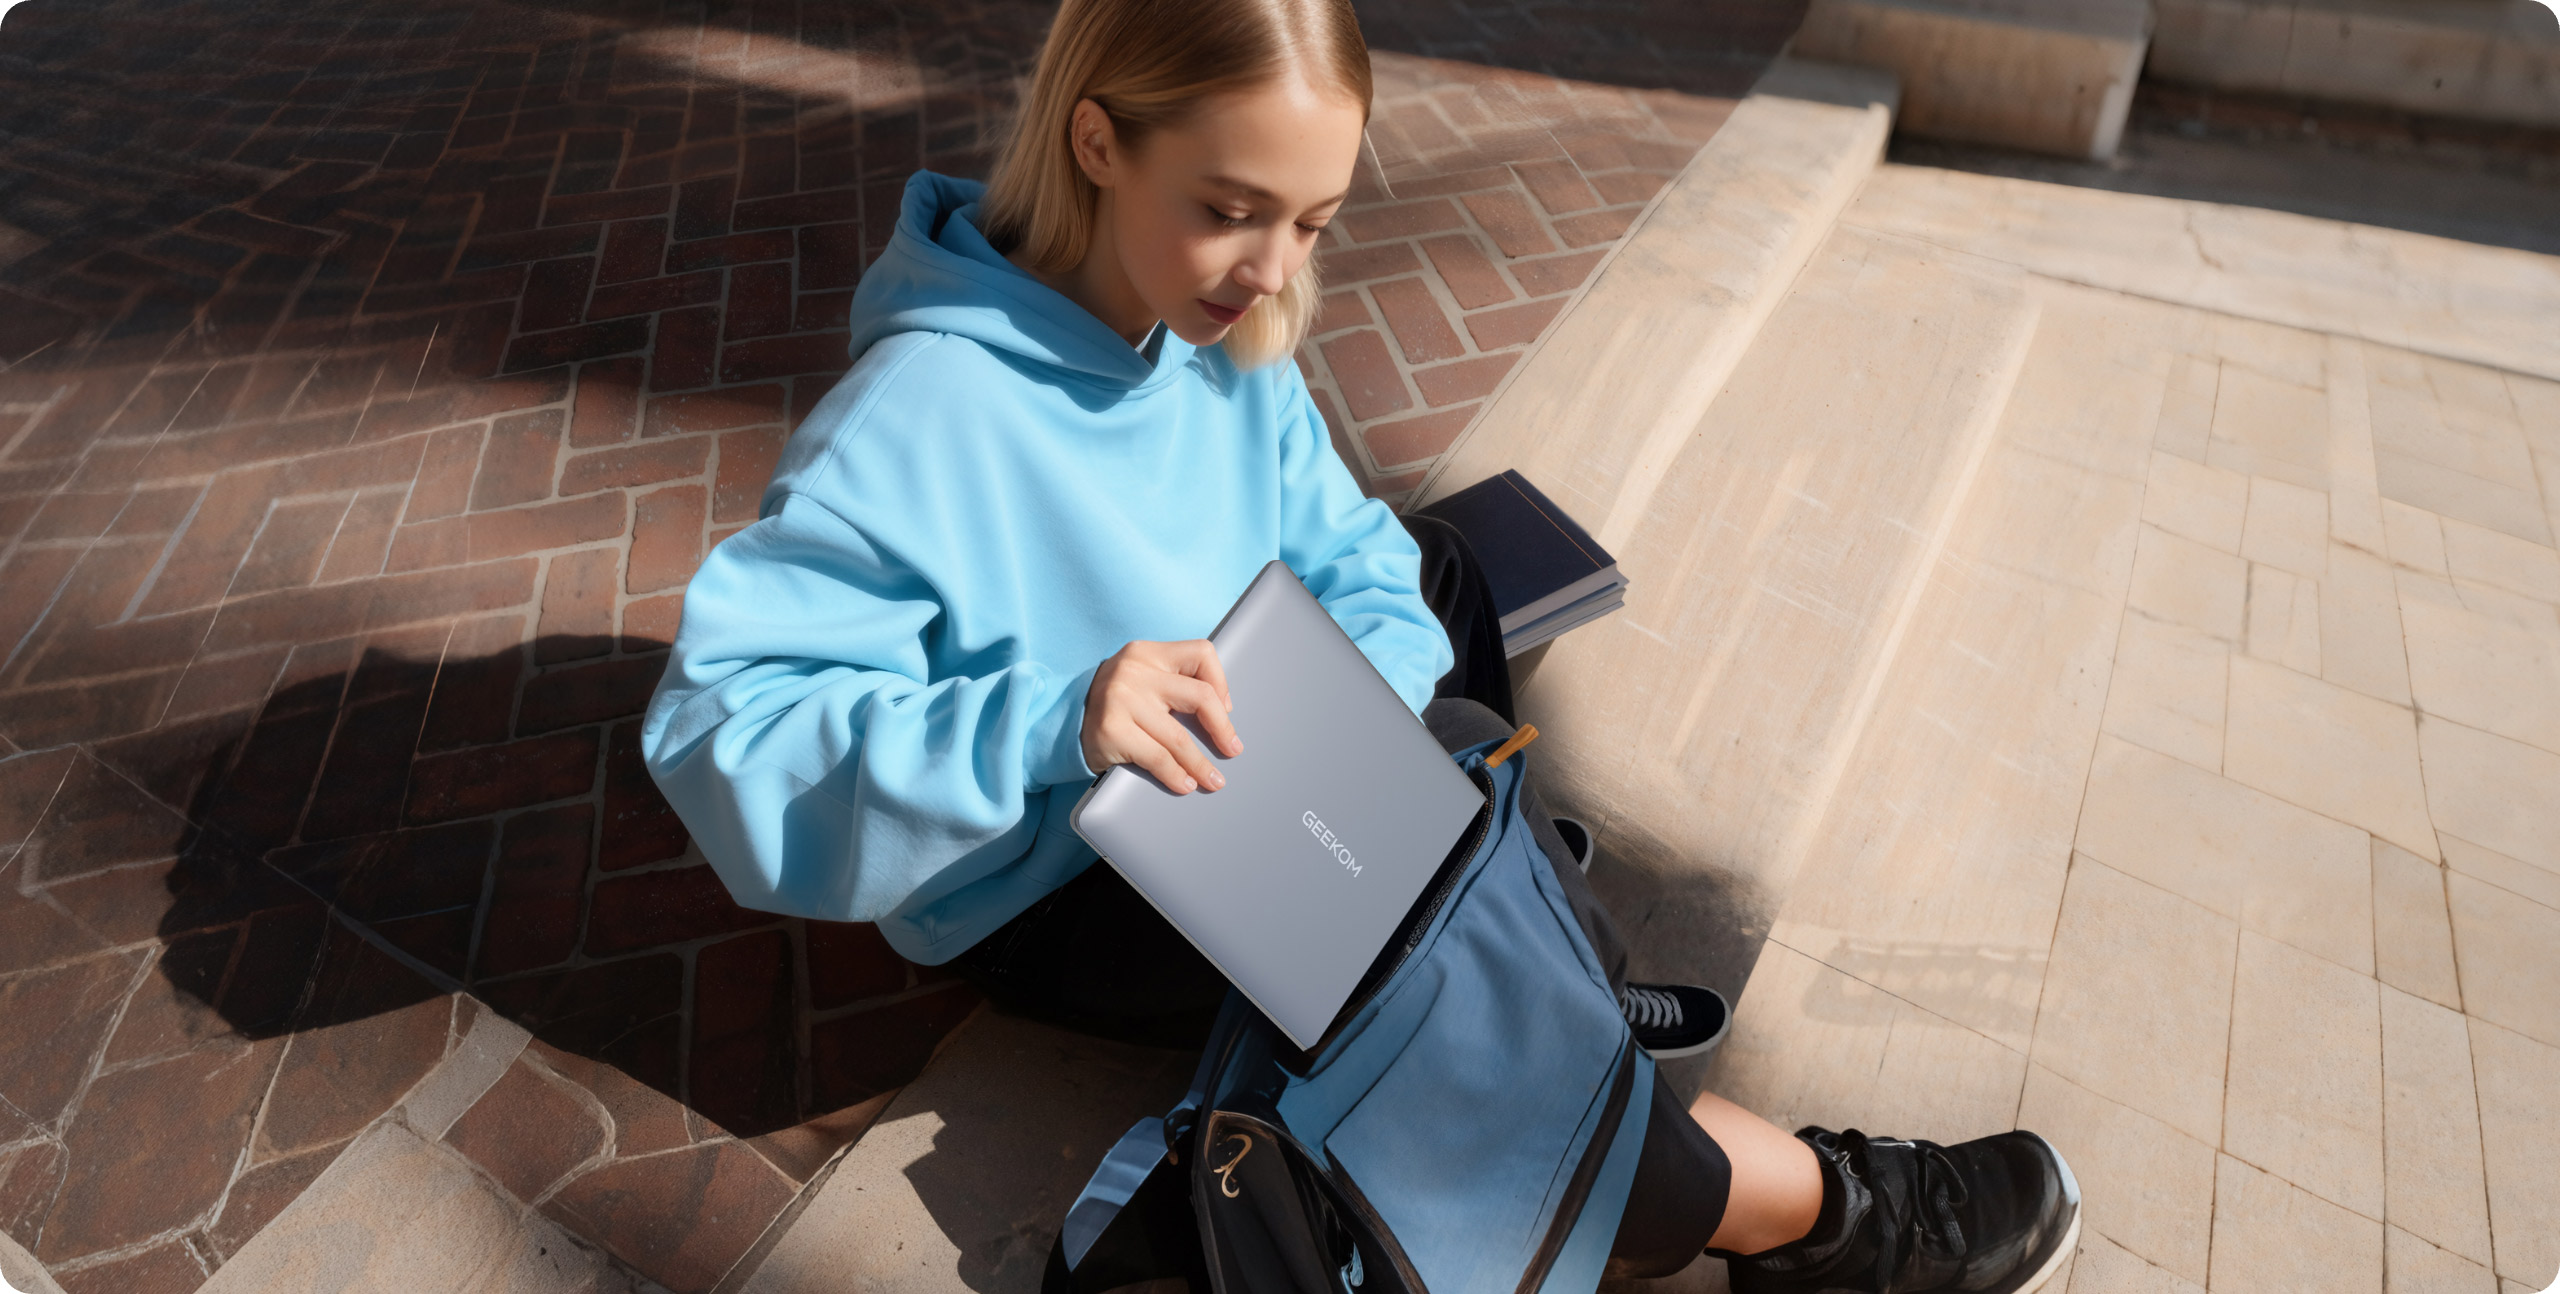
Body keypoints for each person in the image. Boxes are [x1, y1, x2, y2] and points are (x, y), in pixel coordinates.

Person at [638, 0, 2080, 1286]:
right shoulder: (922, 415)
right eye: (1233, 207)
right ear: (1095, 140)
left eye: (1313, 222)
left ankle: (1507, 940)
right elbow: (718, 727)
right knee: (1425, 925)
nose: (1271, 268)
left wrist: (1338, 732)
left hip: (1249, 788)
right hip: (1073, 867)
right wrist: (1053, 719)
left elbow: (1372, 567)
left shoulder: (1212, 336)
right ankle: (1820, 1209)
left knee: (1445, 585)